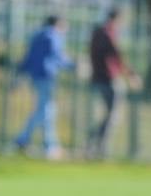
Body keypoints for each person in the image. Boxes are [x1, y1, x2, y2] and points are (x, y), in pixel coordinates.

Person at [13, 15, 74, 159]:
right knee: (45, 110)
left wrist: (20, 75)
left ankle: (50, 146)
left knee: (48, 111)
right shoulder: (52, 35)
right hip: (46, 76)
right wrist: (74, 65)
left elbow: (28, 58)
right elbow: (57, 56)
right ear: (58, 23)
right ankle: (23, 138)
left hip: (36, 76)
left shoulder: (37, 35)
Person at [86, 8, 137, 158]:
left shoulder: (97, 33)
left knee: (111, 115)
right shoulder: (108, 33)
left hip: (97, 78)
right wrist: (131, 75)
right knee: (114, 115)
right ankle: (100, 146)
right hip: (109, 78)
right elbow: (118, 56)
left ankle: (95, 142)